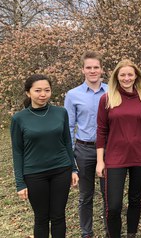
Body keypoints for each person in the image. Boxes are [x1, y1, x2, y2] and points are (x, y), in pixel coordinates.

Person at [11, 74, 79, 238]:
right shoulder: (19, 118)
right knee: (41, 218)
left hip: (61, 170)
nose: (43, 94)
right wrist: (20, 183)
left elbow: (67, 142)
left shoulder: (60, 112)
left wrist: (74, 169)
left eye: (47, 90)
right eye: (38, 90)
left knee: (58, 216)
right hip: (34, 174)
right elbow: (17, 151)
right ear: (28, 93)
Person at [96, 59, 141, 238]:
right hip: (115, 158)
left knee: (135, 200)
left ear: (136, 76)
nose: (126, 78)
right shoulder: (107, 99)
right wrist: (100, 161)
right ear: (116, 77)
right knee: (113, 205)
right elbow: (101, 131)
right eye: (123, 75)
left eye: (130, 74)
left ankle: (131, 234)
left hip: (140, 156)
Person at [64, 51, 108, 238]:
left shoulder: (112, 91)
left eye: (96, 67)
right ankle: (86, 233)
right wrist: (71, 155)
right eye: (88, 67)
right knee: (85, 196)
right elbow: (69, 127)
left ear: (102, 69)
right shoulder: (73, 95)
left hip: (108, 150)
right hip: (84, 149)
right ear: (82, 69)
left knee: (109, 195)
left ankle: (110, 231)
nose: (92, 71)